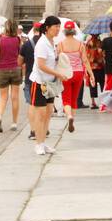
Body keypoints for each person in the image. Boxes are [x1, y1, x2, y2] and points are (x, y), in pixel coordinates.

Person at [28, 15, 67, 155]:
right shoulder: (42, 43)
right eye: (56, 27)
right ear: (47, 28)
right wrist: (58, 74)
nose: (58, 30)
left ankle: (43, 142)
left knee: (49, 112)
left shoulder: (51, 43)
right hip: (39, 82)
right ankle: (38, 144)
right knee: (40, 113)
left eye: (59, 27)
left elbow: (51, 62)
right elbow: (41, 65)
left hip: (50, 83)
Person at [57, 21, 92, 133]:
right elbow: (85, 61)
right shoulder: (80, 44)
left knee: (66, 98)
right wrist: (91, 74)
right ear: (74, 30)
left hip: (66, 74)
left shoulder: (61, 44)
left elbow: (57, 60)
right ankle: (72, 118)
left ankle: (69, 117)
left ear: (64, 31)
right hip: (78, 73)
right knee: (74, 98)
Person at [0, 18, 24, 133]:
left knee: (3, 97)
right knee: (15, 97)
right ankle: (14, 123)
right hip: (15, 69)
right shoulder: (17, 39)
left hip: (2, 69)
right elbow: (20, 55)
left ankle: (0, 117)